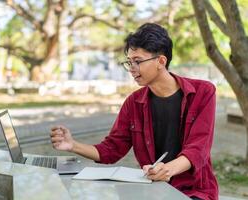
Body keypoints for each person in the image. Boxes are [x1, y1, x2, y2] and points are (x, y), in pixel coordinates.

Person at [50, 23, 218, 200]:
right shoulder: (133, 103)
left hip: (195, 191)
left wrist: (167, 170)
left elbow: (198, 149)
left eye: (137, 61)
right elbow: (111, 150)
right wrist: (72, 145)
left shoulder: (203, 92)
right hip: (153, 190)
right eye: (129, 62)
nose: (131, 68)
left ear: (161, 61)